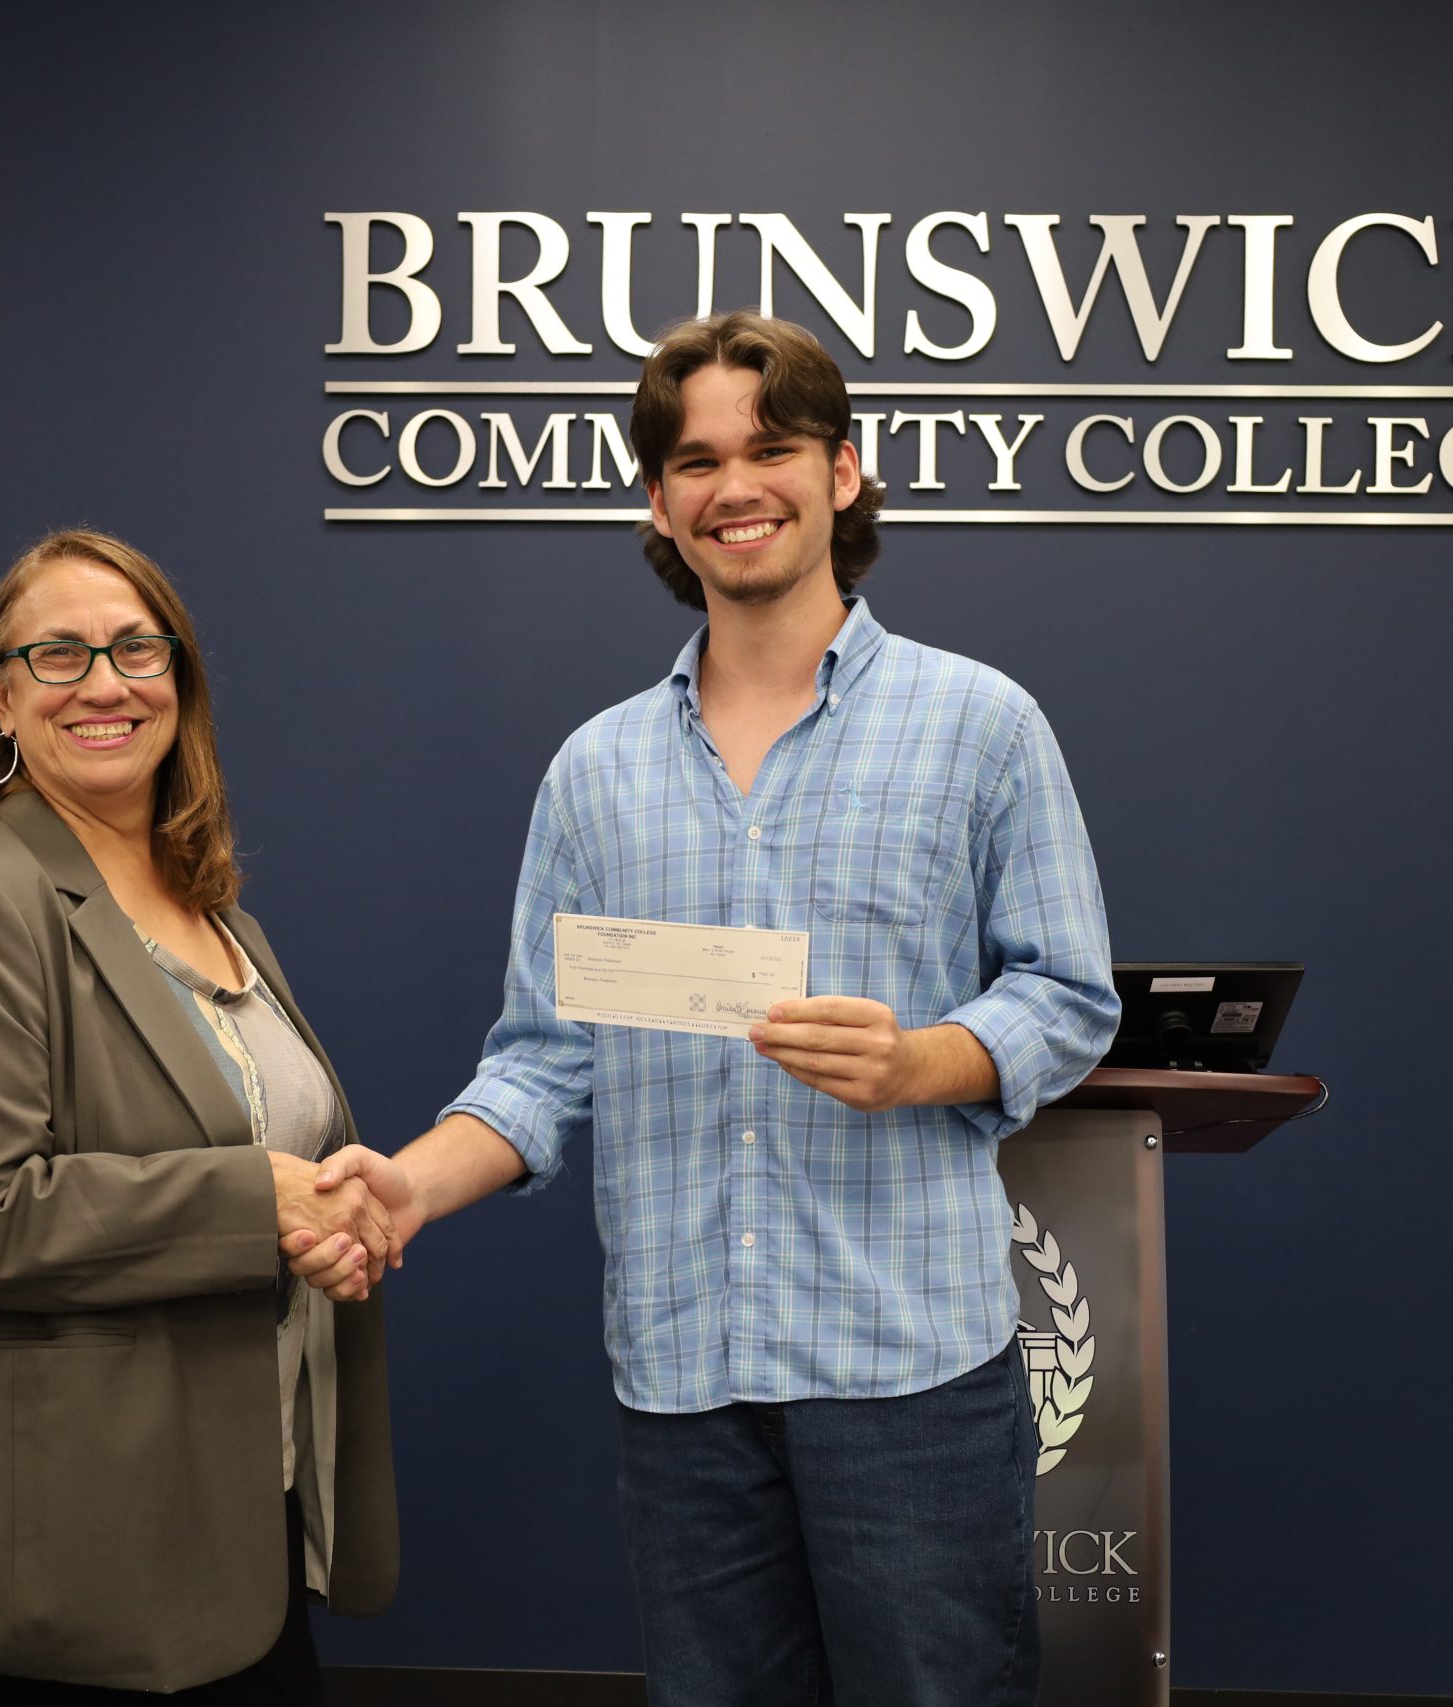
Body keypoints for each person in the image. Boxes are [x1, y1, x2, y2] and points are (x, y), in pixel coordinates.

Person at [319, 312, 1120, 1706]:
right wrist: (405, 1185)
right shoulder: (595, 771)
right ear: (659, 503)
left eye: (773, 447)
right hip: (684, 1375)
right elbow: (543, 1059)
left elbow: (1068, 994)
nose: (733, 484)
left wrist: (922, 1057)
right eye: (695, 459)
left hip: (909, 1372)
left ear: (845, 472)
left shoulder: (980, 722)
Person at [0, 529, 398, 1702]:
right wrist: (264, 1203)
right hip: (78, 1563)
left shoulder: (213, 908)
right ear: (0, 691)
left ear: (179, 681)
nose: (106, 682)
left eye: (137, 648)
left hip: (241, 1522)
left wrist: (334, 1215)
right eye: (60, 654)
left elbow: (271, 1153)